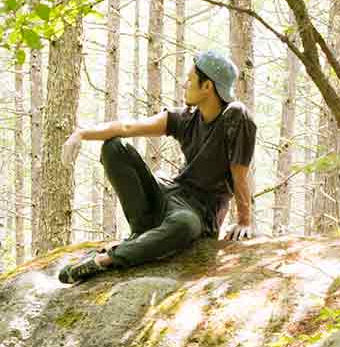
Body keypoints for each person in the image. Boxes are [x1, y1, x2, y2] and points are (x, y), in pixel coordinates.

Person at [54, 49, 258, 283]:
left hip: (197, 213)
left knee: (185, 225)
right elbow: (128, 128)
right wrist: (82, 133)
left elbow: (240, 174)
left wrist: (244, 220)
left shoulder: (236, 117)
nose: (184, 84)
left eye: (190, 79)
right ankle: (141, 234)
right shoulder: (185, 118)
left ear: (207, 87)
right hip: (167, 194)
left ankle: (105, 260)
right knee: (114, 148)